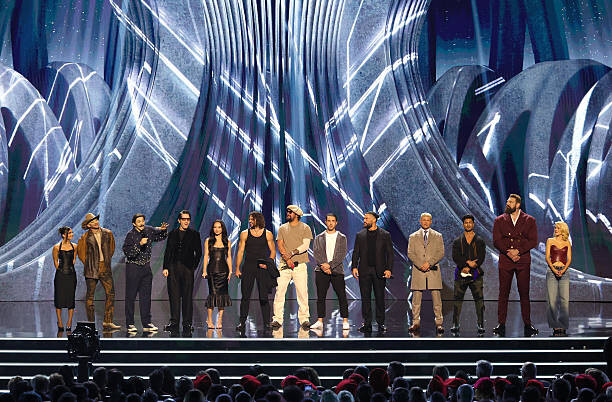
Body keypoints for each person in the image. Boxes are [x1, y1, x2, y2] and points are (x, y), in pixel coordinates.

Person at [492, 194, 538, 337]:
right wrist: (509, 252)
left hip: (522, 260)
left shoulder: (529, 220)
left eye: (511, 202)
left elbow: (533, 240)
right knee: (503, 292)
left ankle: (527, 324)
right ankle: (501, 323)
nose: (508, 203)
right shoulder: (499, 220)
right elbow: (496, 240)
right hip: (506, 261)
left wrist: (519, 251)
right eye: (507, 201)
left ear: (518, 205)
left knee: (524, 293)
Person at [122, 214, 168, 333]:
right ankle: (130, 323)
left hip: (146, 269)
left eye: (142, 221)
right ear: (134, 224)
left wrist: (163, 230)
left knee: (146, 297)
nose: (141, 223)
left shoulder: (148, 230)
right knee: (131, 297)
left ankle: (147, 323)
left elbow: (160, 236)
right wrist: (139, 244)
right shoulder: (130, 235)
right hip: (133, 267)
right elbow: (128, 252)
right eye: (139, 221)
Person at [272, 205, 313, 330]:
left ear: (297, 214)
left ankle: (304, 319)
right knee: (280, 291)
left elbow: (305, 245)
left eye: (290, 212)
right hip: (284, 265)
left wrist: (292, 253)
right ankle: (277, 319)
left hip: (300, 265)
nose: (288, 213)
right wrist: (287, 259)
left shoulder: (305, 228)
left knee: (302, 292)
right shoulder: (282, 228)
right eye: (287, 211)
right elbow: (280, 245)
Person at [162, 210, 202, 336]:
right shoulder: (172, 234)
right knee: (174, 296)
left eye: (188, 219)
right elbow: (168, 251)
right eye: (184, 219)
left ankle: (187, 323)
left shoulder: (194, 234)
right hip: (173, 267)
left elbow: (199, 252)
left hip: (187, 268)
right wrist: (165, 267)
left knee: (187, 296)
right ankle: (174, 322)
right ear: (179, 220)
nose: (186, 221)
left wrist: (193, 266)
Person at [351, 211, 393, 333]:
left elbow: (390, 254)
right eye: (364, 218)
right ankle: (367, 323)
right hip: (364, 270)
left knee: (380, 297)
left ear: (374, 220)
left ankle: (381, 323)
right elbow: (356, 252)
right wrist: (354, 267)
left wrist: (389, 269)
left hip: (379, 270)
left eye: (366, 218)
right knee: (365, 298)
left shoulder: (385, 235)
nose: (364, 220)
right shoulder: (360, 235)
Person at [235, 212, 277, 331]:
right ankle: (242, 322)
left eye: (251, 219)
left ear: (258, 220)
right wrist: (237, 268)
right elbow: (240, 251)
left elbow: (273, 251)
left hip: (262, 267)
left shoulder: (267, 233)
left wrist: (268, 263)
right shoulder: (245, 233)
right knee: (245, 296)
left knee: (263, 297)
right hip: (248, 267)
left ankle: (267, 323)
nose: (249, 221)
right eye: (249, 219)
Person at [77, 213, 119, 329]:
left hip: (105, 267)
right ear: (88, 225)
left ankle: (108, 321)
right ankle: (91, 323)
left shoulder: (108, 233)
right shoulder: (84, 237)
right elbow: (81, 253)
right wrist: (90, 263)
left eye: (96, 220)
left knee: (110, 294)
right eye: (92, 221)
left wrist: (105, 261)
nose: (95, 222)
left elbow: (111, 249)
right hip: (91, 268)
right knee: (90, 297)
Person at [407, 213, 445, 334]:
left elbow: (441, 252)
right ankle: (415, 322)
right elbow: (410, 253)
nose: (426, 222)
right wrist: (420, 264)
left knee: (437, 300)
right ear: (420, 221)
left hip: (433, 270)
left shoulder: (438, 236)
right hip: (418, 271)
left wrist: (429, 263)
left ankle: (439, 323)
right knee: (416, 300)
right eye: (424, 220)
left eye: (428, 220)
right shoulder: (413, 236)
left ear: (431, 222)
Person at [310, 213, 350, 331]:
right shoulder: (319, 237)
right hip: (321, 271)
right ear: (325, 222)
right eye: (329, 221)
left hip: (337, 270)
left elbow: (341, 254)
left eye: (333, 221)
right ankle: (320, 321)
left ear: (336, 223)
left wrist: (330, 266)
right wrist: (324, 266)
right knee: (320, 297)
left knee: (342, 296)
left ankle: (345, 321)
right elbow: (316, 252)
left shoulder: (342, 237)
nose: (331, 223)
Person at [451, 214, 486, 334]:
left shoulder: (480, 240)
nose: (468, 224)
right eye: (466, 222)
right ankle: (455, 323)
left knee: (479, 300)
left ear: (473, 224)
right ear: (463, 224)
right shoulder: (457, 241)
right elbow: (455, 257)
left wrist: (473, 265)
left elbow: (481, 257)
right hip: (461, 274)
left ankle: (480, 324)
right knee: (457, 300)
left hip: (476, 274)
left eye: (470, 222)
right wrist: (466, 264)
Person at [202, 220, 233, 329]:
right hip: (212, 271)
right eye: (215, 227)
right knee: (213, 295)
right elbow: (206, 256)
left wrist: (230, 271)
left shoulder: (227, 241)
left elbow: (229, 257)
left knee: (222, 296)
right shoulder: (208, 241)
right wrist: (204, 270)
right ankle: (210, 320)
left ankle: (219, 320)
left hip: (223, 271)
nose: (217, 229)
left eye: (219, 227)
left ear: (222, 229)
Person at [545, 221, 572, 336]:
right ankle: (554, 325)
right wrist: (554, 270)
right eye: (555, 228)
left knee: (564, 300)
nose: (555, 229)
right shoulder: (550, 241)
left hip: (564, 272)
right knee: (552, 300)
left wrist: (563, 269)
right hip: (552, 271)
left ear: (563, 230)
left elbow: (569, 259)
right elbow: (547, 257)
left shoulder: (567, 242)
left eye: (558, 228)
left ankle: (563, 325)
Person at [52, 226, 77, 331]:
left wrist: (69, 270)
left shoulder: (74, 246)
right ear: (63, 235)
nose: (72, 234)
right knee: (59, 298)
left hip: (71, 275)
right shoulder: (57, 247)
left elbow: (74, 259)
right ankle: (60, 321)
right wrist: (61, 271)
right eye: (69, 233)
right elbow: (55, 261)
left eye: (72, 232)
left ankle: (70, 321)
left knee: (71, 298)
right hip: (60, 276)